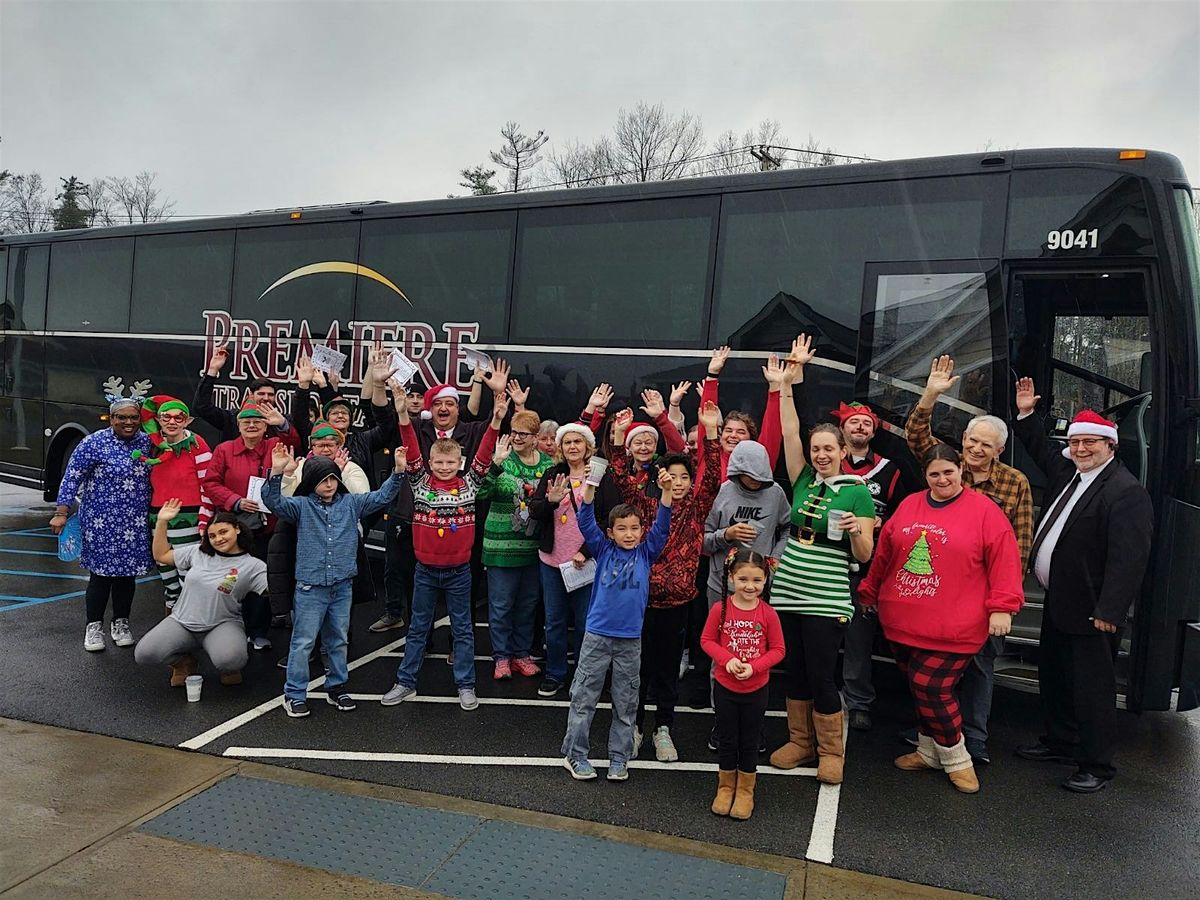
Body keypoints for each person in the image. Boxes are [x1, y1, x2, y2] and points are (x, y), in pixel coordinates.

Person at [1012, 381, 1154, 793]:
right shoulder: (1070, 474)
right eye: (1076, 442)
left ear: (1110, 446)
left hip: (1093, 608)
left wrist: (1110, 611)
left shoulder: (1125, 492)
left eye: (1091, 443)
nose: (1082, 449)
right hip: (1061, 600)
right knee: (1054, 675)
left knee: (1092, 689)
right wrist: (1025, 415)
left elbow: (1130, 559)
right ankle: (1060, 740)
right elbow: (1039, 447)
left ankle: (1096, 764)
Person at [858, 445, 1024, 794]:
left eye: (948, 471)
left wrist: (1003, 606)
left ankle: (956, 758)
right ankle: (927, 750)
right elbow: (885, 553)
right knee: (919, 689)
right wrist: (869, 591)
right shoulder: (910, 504)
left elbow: (1005, 558)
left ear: (960, 469)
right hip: (902, 621)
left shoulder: (985, 511)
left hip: (956, 625)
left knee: (931, 687)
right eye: (934, 473)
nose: (942, 479)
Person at [905, 354, 1034, 764]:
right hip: (937, 591)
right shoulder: (947, 466)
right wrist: (931, 394)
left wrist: (1004, 602)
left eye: (986, 445)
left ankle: (973, 740)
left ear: (998, 450)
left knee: (979, 668)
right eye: (971, 440)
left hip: (982, 597)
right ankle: (933, 735)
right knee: (932, 668)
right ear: (963, 440)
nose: (976, 449)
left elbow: (1020, 547)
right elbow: (915, 437)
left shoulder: (1015, 483)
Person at [770, 341, 875, 785]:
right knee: (793, 668)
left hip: (827, 589)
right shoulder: (804, 479)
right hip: (789, 583)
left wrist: (856, 530)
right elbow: (789, 432)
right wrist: (786, 387)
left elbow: (865, 555)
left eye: (829, 448)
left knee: (820, 671)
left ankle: (832, 749)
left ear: (841, 449)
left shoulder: (857, 490)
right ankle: (800, 742)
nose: (821, 454)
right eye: (817, 449)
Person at [379, 390, 506, 711]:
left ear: (460, 462)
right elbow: (409, 446)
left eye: (451, 462)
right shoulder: (420, 482)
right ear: (429, 462)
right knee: (418, 628)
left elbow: (486, 453)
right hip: (425, 572)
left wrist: (498, 420)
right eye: (439, 461)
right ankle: (405, 682)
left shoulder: (470, 484)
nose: (445, 467)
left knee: (463, 630)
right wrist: (402, 415)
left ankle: (466, 685)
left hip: (459, 573)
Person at [262, 444, 406, 717]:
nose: (328, 485)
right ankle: (293, 694)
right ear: (310, 484)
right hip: (310, 588)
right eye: (321, 480)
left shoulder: (351, 503)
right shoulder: (301, 506)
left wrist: (398, 471)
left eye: (332, 479)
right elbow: (273, 502)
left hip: (342, 586)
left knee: (338, 641)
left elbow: (383, 496)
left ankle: (337, 688)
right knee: (303, 643)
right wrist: (277, 472)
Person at [561, 467, 675, 782]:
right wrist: (591, 487)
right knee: (584, 697)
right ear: (610, 533)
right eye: (621, 528)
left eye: (635, 528)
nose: (628, 534)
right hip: (597, 636)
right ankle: (575, 755)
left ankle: (619, 757)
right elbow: (585, 521)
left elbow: (663, 527)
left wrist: (665, 492)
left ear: (642, 531)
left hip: (630, 641)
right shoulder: (603, 549)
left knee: (626, 702)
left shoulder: (647, 552)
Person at [634, 400, 721, 762]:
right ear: (659, 479)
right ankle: (634, 727)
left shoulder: (697, 507)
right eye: (672, 477)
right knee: (637, 670)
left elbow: (713, 473)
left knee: (668, 671)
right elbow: (622, 476)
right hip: (642, 601)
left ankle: (663, 729)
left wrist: (711, 433)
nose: (681, 483)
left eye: (685, 477)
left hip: (679, 603)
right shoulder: (646, 506)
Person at [51, 377, 154, 652]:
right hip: (100, 521)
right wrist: (61, 512)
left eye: (133, 417)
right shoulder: (93, 443)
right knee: (101, 576)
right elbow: (72, 477)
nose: (128, 422)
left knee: (127, 576)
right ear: (111, 418)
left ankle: (121, 623)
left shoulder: (147, 443)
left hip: (134, 522)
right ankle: (93, 627)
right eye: (121, 417)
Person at [830, 401, 912, 732]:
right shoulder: (828, 462)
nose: (860, 428)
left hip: (870, 565)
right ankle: (817, 695)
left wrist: (883, 521)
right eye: (854, 423)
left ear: (873, 430)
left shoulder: (890, 470)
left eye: (866, 424)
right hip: (830, 562)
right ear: (843, 429)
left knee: (859, 637)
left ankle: (859, 699)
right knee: (822, 633)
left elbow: (905, 514)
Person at [529, 423, 621, 698]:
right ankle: (555, 674)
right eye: (567, 442)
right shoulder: (552, 474)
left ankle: (585, 676)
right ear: (560, 447)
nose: (572, 447)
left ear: (587, 447)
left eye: (577, 442)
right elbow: (535, 510)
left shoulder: (600, 476)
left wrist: (587, 550)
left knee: (586, 622)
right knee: (554, 620)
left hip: (585, 563)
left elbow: (611, 517)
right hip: (552, 561)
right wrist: (552, 502)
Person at [135, 500, 267, 686]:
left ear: (237, 529)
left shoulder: (253, 565)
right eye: (212, 536)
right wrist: (162, 522)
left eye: (223, 532)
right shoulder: (198, 552)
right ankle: (184, 662)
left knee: (230, 660)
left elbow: (274, 590)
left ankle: (227, 666)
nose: (218, 539)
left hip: (222, 624)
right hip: (182, 622)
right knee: (144, 654)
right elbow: (161, 555)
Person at [701, 549, 786, 820]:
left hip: (756, 689)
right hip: (725, 688)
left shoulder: (769, 614)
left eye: (757, 580)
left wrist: (755, 666)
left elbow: (779, 650)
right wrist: (727, 660)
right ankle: (725, 787)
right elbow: (706, 641)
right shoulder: (720, 609)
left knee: (749, 741)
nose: (750, 586)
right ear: (731, 577)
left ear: (765, 580)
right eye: (744, 579)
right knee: (727, 739)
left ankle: (746, 791)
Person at [267, 419, 371, 628]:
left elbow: (361, 502)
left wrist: (338, 474)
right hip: (304, 543)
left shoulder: (352, 469)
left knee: (340, 607)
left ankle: (337, 649)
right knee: (304, 600)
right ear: (311, 446)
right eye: (319, 444)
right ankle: (307, 647)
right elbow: (281, 504)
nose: (325, 448)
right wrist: (286, 474)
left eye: (330, 444)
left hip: (340, 542)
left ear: (339, 446)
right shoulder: (298, 466)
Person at [478, 410, 553, 680]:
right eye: (515, 432)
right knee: (501, 604)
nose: (518, 438)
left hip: (534, 549)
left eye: (524, 434)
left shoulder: (548, 464)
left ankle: (521, 654)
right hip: (500, 548)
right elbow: (479, 493)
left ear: (536, 437)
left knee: (527, 604)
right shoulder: (502, 459)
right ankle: (501, 657)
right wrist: (495, 465)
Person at [202, 401, 283, 650]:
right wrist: (235, 501)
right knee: (230, 580)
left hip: (266, 527)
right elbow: (211, 483)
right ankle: (227, 625)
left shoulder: (275, 446)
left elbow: (295, 440)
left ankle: (258, 630)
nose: (251, 425)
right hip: (235, 529)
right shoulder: (225, 450)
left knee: (261, 580)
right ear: (237, 425)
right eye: (246, 421)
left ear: (265, 426)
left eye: (257, 421)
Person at [136, 395, 214, 615]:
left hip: (188, 515)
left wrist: (205, 520)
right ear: (159, 420)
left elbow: (208, 483)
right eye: (166, 417)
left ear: (187, 421)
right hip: (157, 514)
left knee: (186, 570)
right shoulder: (152, 445)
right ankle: (173, 616)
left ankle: (191, 619)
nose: (172, 422)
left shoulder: (197, 444)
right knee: (165, 569)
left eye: (178, 418)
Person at [193, 341, 307, 448]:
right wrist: (212, 371)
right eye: (261, 394)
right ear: (250, 394)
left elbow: (298, 442)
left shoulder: (282, 420)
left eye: (270, 394)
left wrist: (283, 424)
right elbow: (202, 407)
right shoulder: (232, 419)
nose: (266, 398)